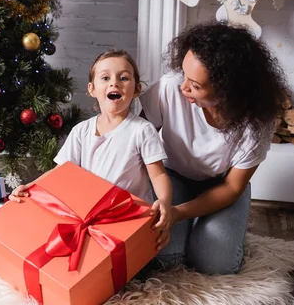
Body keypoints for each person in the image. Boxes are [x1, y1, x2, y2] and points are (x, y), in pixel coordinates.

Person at [139, 21, 290, 275]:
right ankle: (193, 223)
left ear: (228, 92)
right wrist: (164, 200)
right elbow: (137, 143)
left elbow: (232, 186)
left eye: (195, 86)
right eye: (184, 74)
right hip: (171, 176)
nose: (183, 87)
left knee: (216, 264)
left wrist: (177, 214)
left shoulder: (256, 123)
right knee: (162, 257)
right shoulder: (169, 88)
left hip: (222, 184)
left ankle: (205, 222)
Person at [9, 49, 173, 244]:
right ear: (92, 89)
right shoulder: (81, 131)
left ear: (136, 89)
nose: (114, 83)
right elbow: (61, 172)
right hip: (88, 216)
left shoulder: (142, 130)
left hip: (126, 218)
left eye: (123, 78)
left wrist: (164, 201)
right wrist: (31, 186)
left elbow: (158, 174)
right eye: (105, 78)